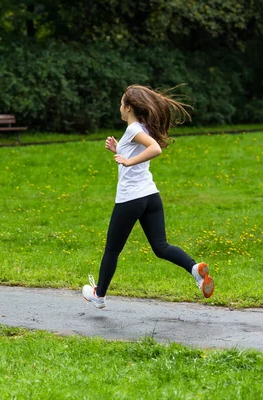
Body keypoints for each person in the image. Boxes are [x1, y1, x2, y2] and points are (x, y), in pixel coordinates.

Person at [82, 85, 214, 309]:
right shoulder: (140, 128)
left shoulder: (134, 128)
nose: (119, 107)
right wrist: (119, 151)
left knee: (112, 250)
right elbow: (138, 151)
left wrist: (128, 161)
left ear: (129, 107)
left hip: (130, 199)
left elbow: (155, 149)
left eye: (121, 103)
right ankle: (195, 271)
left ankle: (99, 295)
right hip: (150, 196)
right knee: (161, 247)